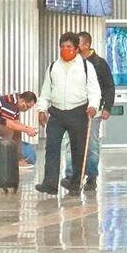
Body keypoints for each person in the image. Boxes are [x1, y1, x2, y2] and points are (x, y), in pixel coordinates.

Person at [35, 32, 102, 197]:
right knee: (52, 147)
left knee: (78, 150)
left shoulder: (86, 67)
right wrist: (42, 109)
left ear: (76, 48)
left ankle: (75, 183)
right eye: (63, 46)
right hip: (56, 113)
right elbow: (45, 92)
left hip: (78, 111)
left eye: (69, 47)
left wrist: (93, 106)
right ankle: (50, 184)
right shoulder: (53, 67)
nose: (65, 49)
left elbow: (95, 90)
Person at [62, 31, 117, 191]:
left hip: (94, 110)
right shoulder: (71, 62)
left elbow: (109, 86)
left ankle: (91, 176)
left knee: (91, 144)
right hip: (73, 110)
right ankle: (71, 174)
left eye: (76, 44)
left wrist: (107, 107)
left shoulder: (99, 63)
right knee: (70, 143)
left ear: (86, 45)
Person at [0, 91, 39, 166]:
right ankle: (5, 160)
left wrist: (27, 128)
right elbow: (8, 123)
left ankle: (17, 159)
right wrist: (26, 129)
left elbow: (15, 122)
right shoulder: (9, 102)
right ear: (23, 101)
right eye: (28, 107)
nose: (26, 110)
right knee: (9, 132)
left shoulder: (16, 103)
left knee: (18, 131)